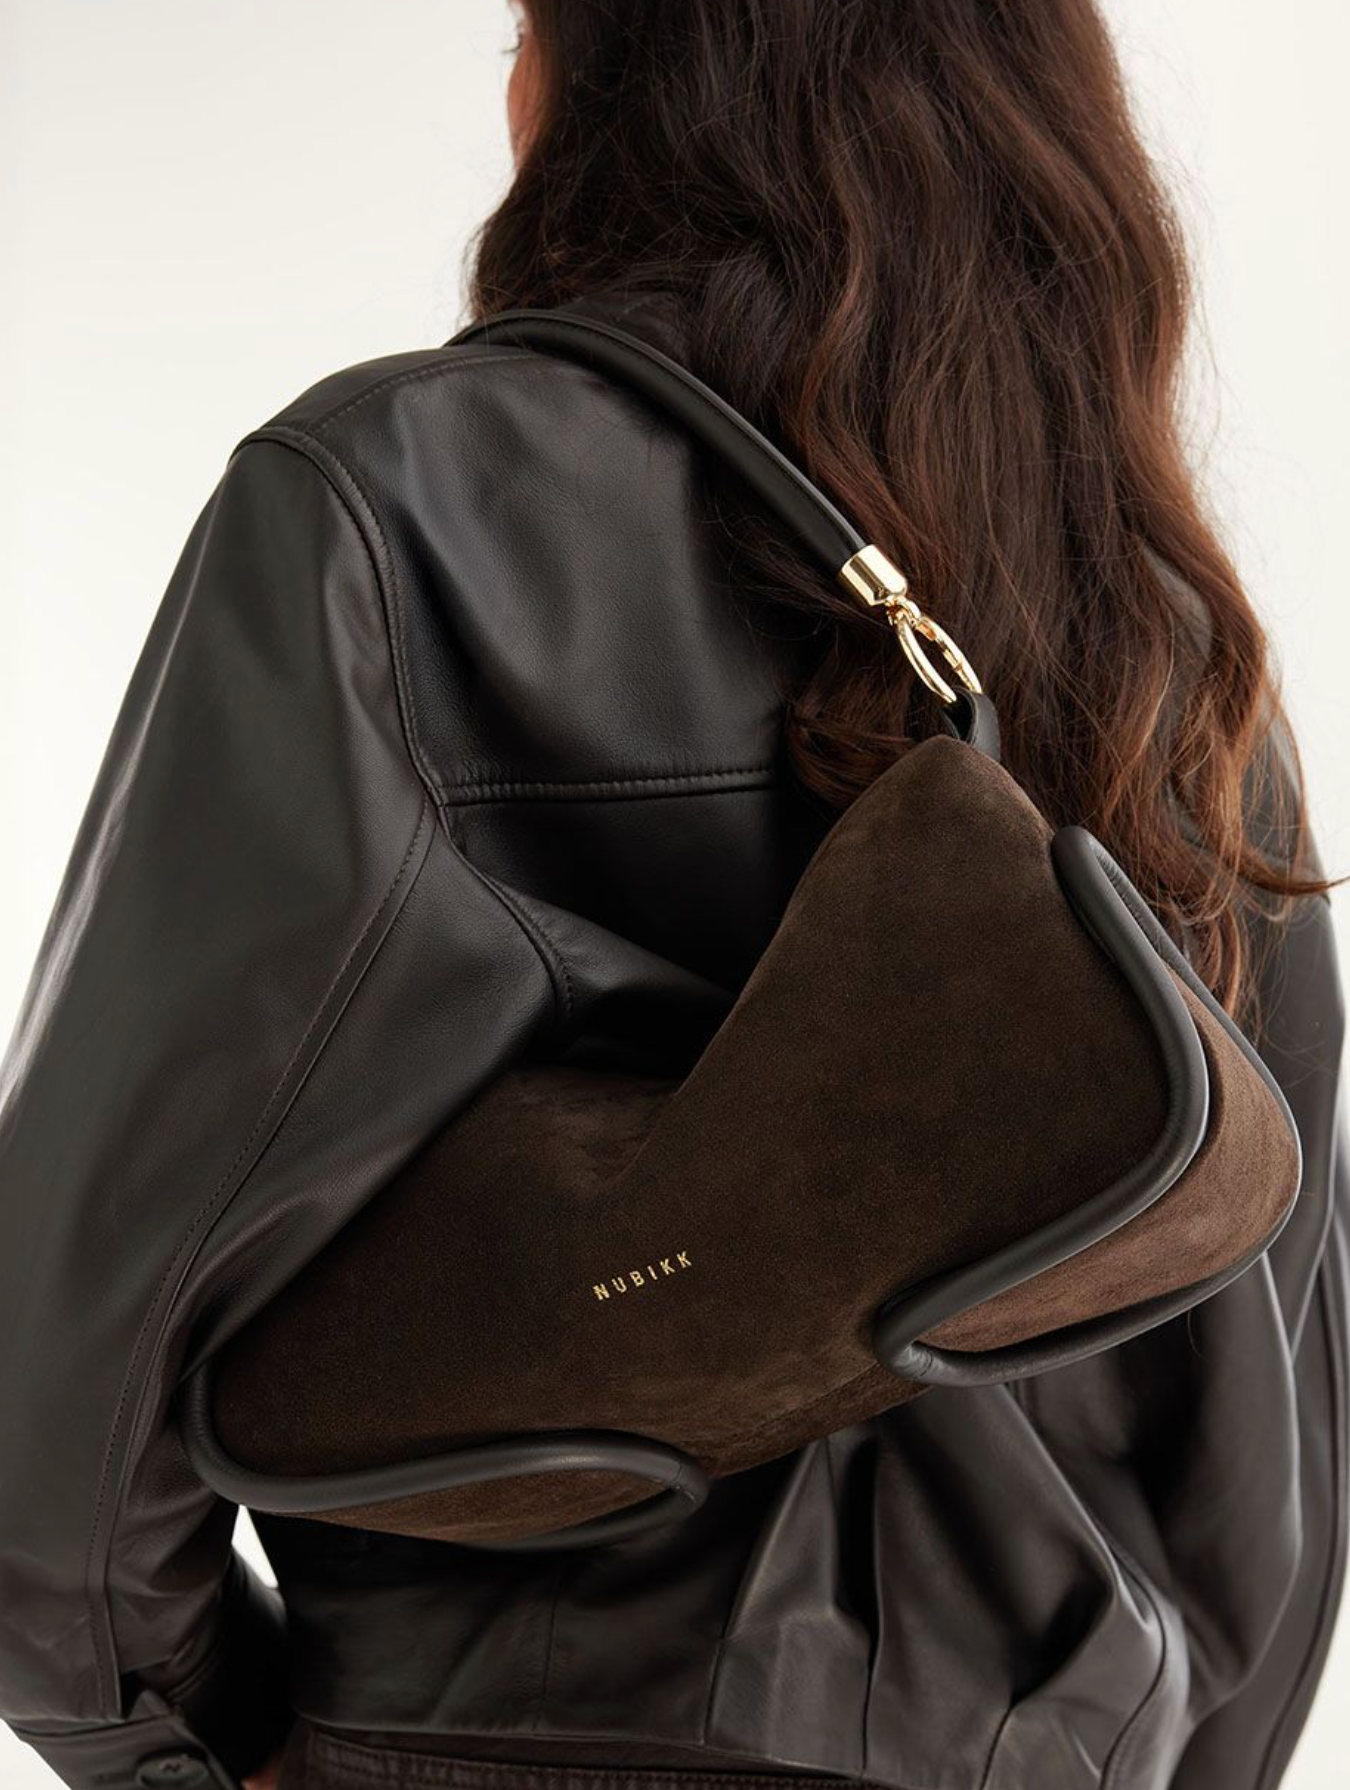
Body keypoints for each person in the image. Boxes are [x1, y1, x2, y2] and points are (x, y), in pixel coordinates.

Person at [1, 4, 1345, 1789]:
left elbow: (66, 1371)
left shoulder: (404, 508)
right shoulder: (1164, 636)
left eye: (518, 27)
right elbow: (1260, 1426)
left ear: (619, 84)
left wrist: (205, 1738)